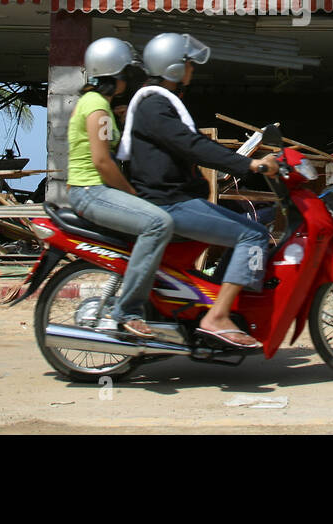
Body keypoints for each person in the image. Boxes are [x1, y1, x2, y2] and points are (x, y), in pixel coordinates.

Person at [118, 32, 280, 350]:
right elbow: (192, 145)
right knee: (254, 236)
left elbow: (191, 145)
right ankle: (216, 317)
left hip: (177, 199)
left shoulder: (157, 103)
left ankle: (219, 301)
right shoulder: (154, 105)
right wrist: (248, 166)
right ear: (174, 68)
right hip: (170, 204)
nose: (193, 70)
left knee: (247, 220)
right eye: (188, 64)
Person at [65, 37, 174, 340]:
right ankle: (128, 310)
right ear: (115, 75)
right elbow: (102, 162)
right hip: (91, 191)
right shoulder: (97, 107)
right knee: (158, 223)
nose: (128, 79)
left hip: (90, 189)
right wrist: (130, 193)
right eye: (126, 73)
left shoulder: (97, 105)